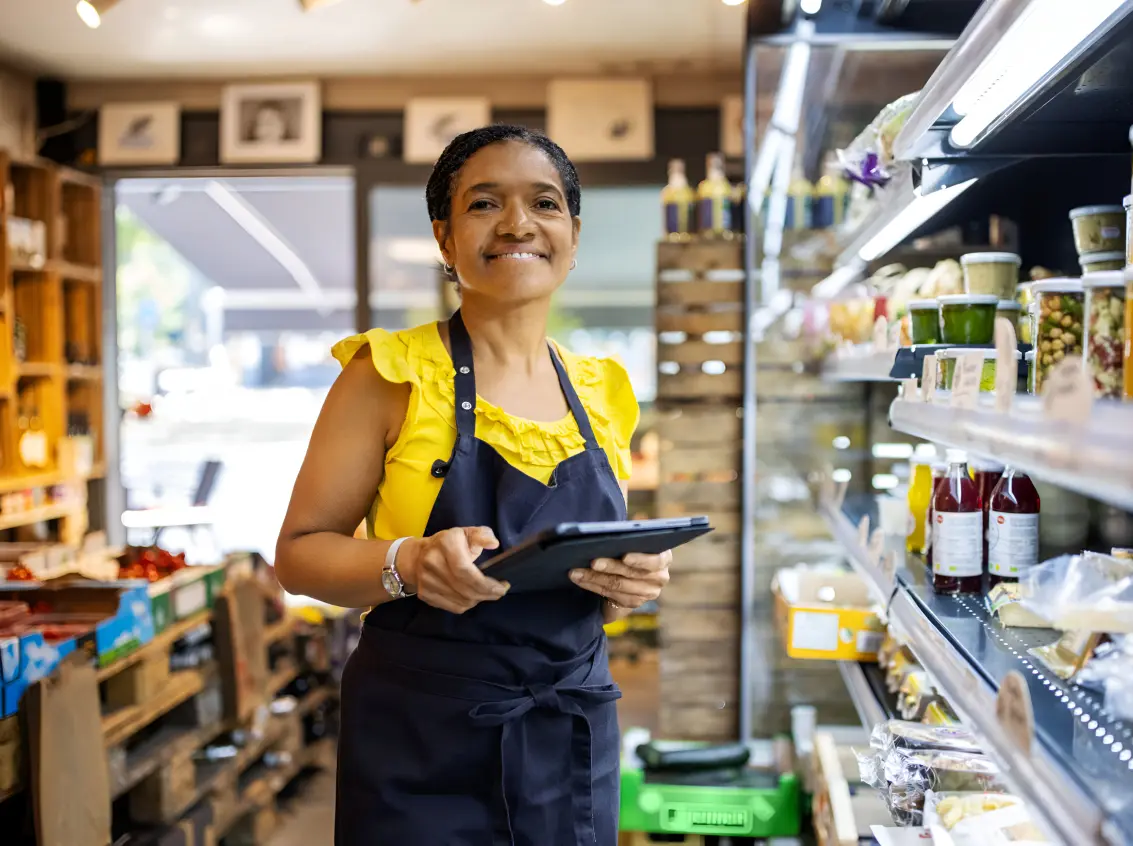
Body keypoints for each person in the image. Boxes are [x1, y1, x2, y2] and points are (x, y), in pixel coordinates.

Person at [275, 124, 671, 846]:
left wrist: (626, 584)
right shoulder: (387, 375)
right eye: (485, 203)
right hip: (422, 743)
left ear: (573, 236)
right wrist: (409, 563)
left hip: (569, 735)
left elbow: (587, 591)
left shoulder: (601, 391)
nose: (518, 224)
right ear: (445, 237)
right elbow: (299, 555)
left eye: (544, 204)